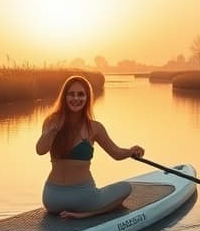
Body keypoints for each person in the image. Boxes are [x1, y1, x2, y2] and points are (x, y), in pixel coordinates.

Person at [36, 75, 145, 219]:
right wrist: (52, 131)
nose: (76, 98)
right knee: (126, 188)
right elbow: (40, 150)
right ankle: (87, 214)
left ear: (88, 98)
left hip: (54, 201)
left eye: (81, 94)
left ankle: (85, 212)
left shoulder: (95, 127)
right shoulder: (52, 121)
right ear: (64, 97)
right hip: (77, 198)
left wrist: (131, 151)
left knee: (125, 188)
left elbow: (116, 153)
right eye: (71, 94)